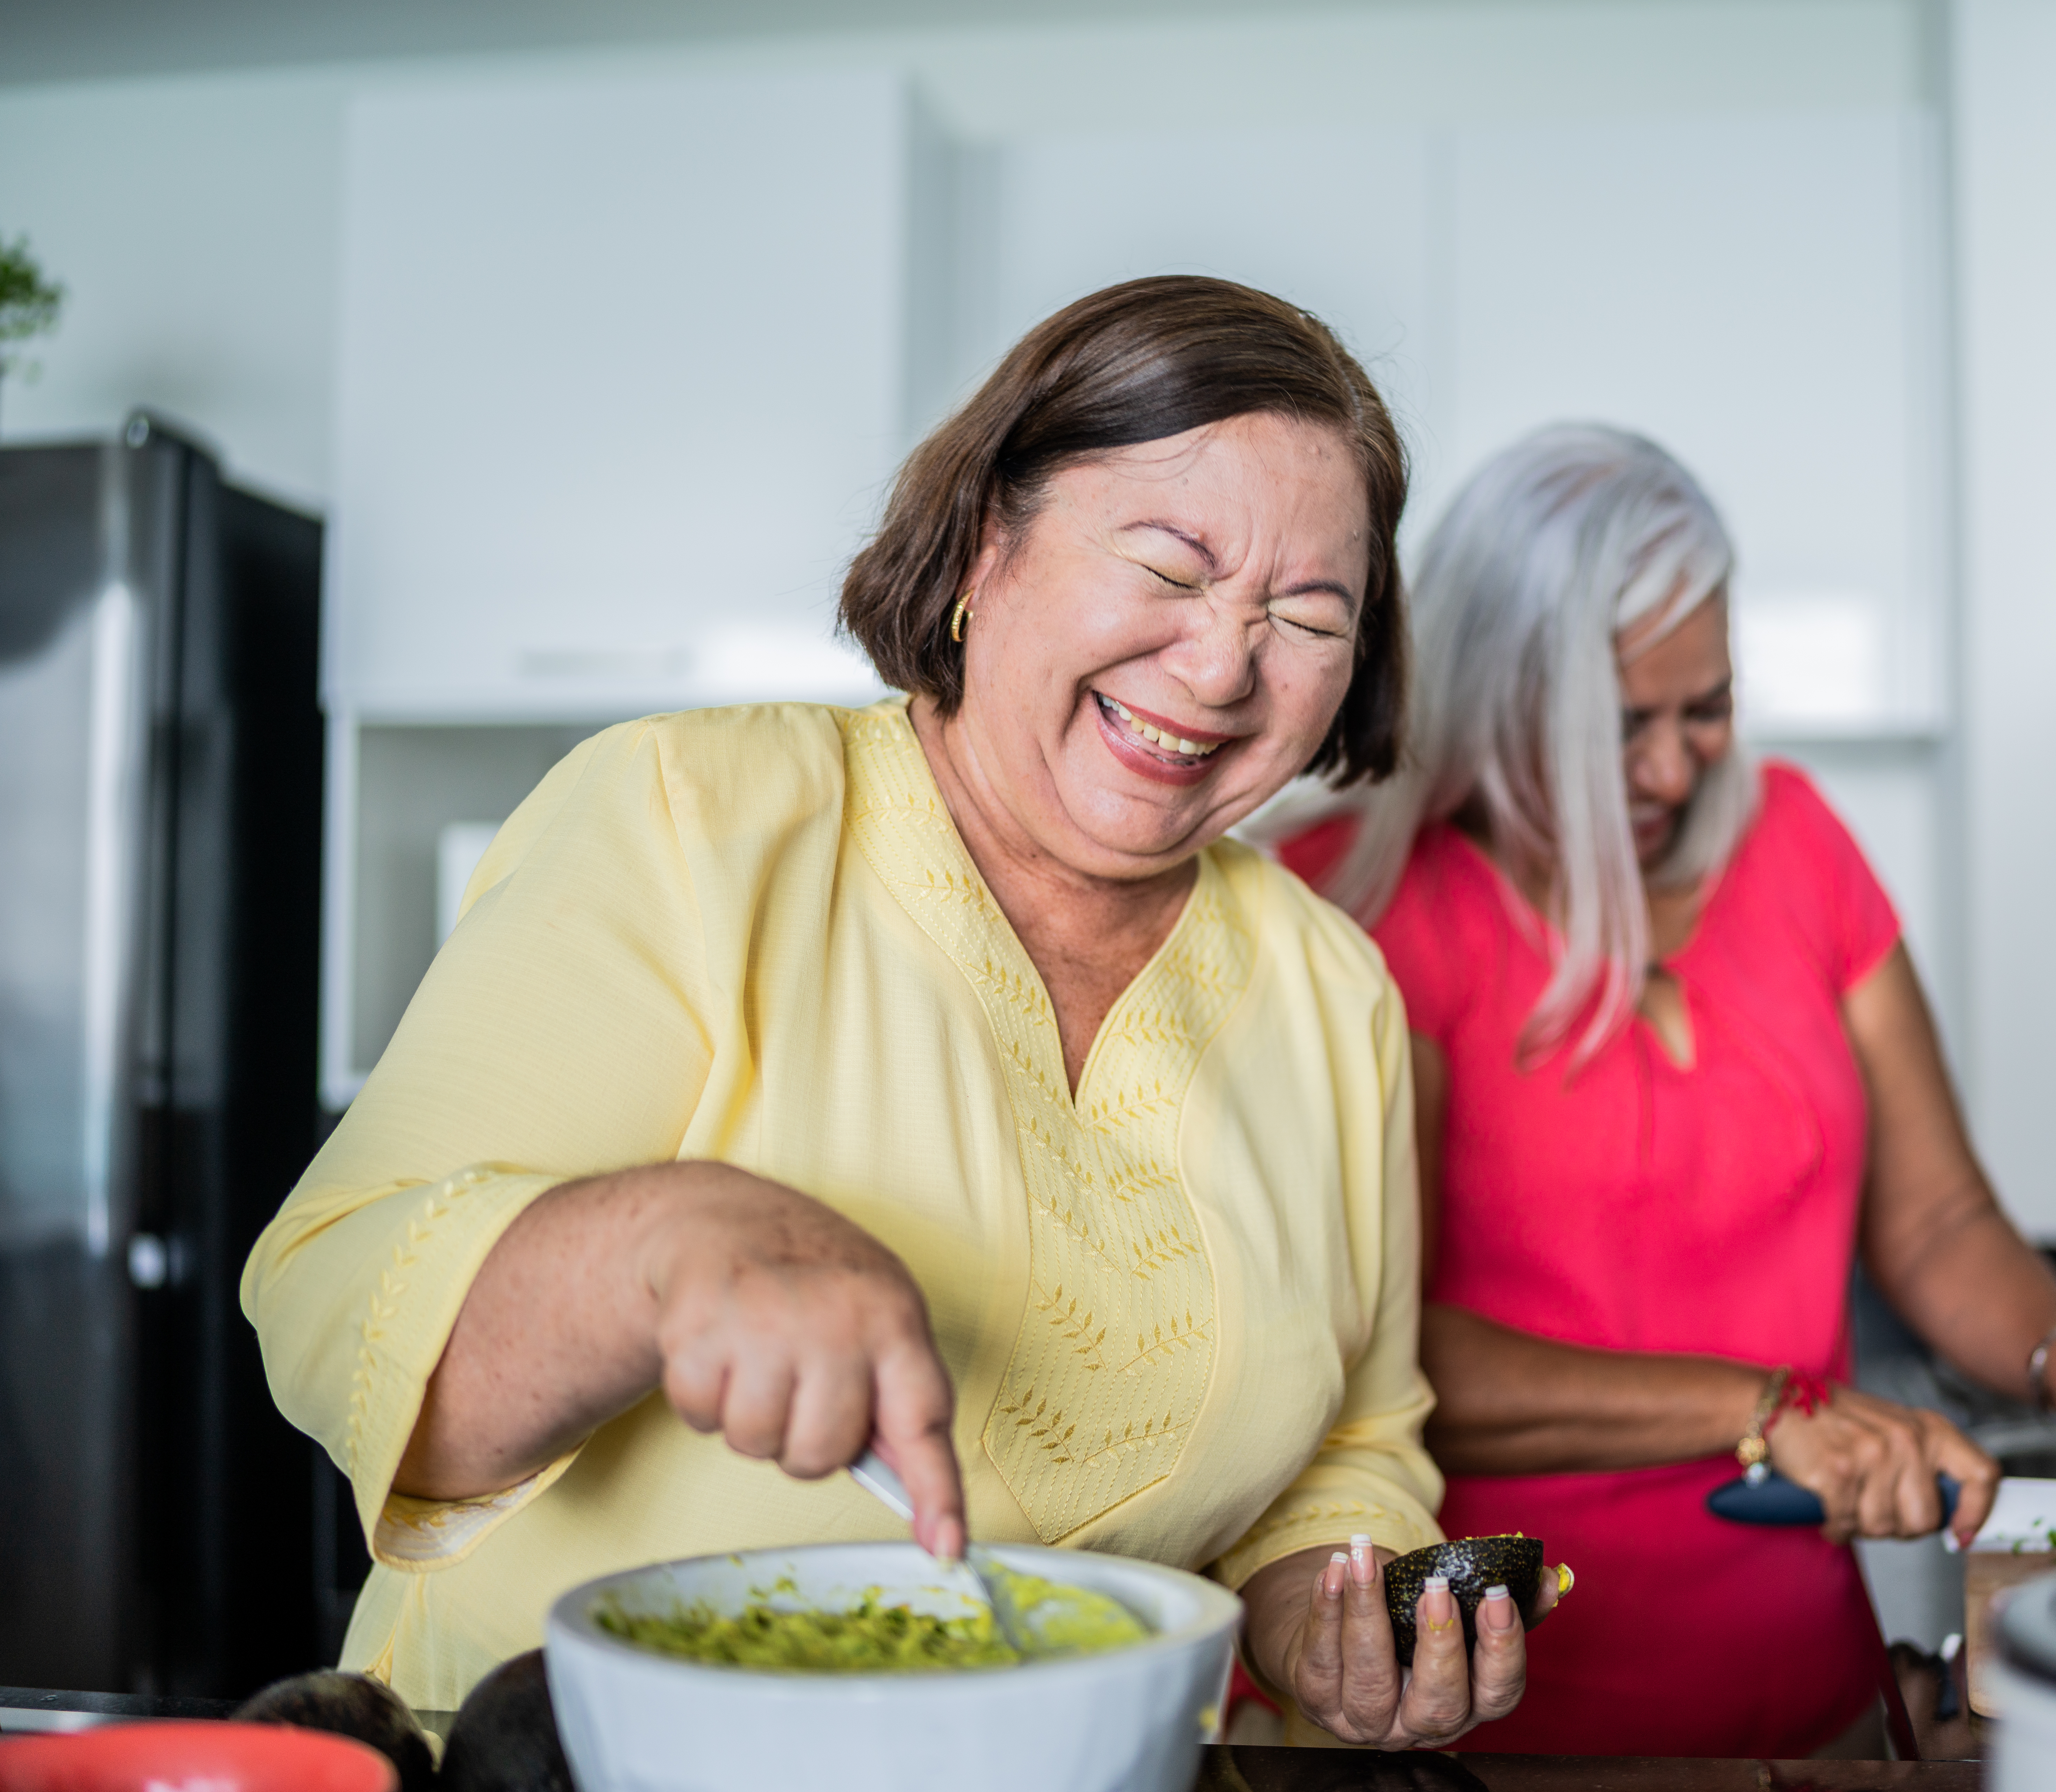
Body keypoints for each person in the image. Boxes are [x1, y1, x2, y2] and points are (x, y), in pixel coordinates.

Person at [241, 277, 1553, 1736]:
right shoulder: (688, 820)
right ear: (989, 541)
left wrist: (1333, 1629)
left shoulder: (1331, 992)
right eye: (1173, 571)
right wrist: (664, 1247)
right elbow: (335, 1297)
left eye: (1309, 616)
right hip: (577, 1762)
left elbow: (1347, 1447)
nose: (1224, 666)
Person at [1281, 425, 2056, 1759]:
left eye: (1705, 707)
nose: (1674, 771)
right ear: (1495, 705)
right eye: (1618, 731)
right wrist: (1766, 1410)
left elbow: (1941, 1221)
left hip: (1815, 1716)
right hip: (1485, 1740)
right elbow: (1373, 1354)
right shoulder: (1365, 912)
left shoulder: (1797, 842)